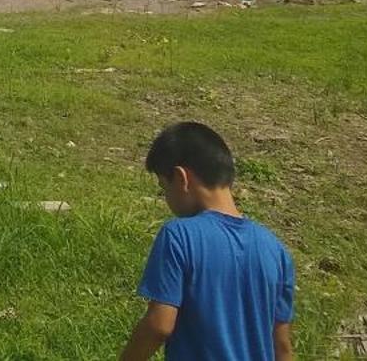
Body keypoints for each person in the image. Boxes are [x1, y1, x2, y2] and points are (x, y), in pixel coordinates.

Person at [121, 122, 294, 361]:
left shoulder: (179, 236)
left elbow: (159, 325)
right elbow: (282, 347)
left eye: (164, 187)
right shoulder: (275, 249)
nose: (166, 199)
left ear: (181, 178)